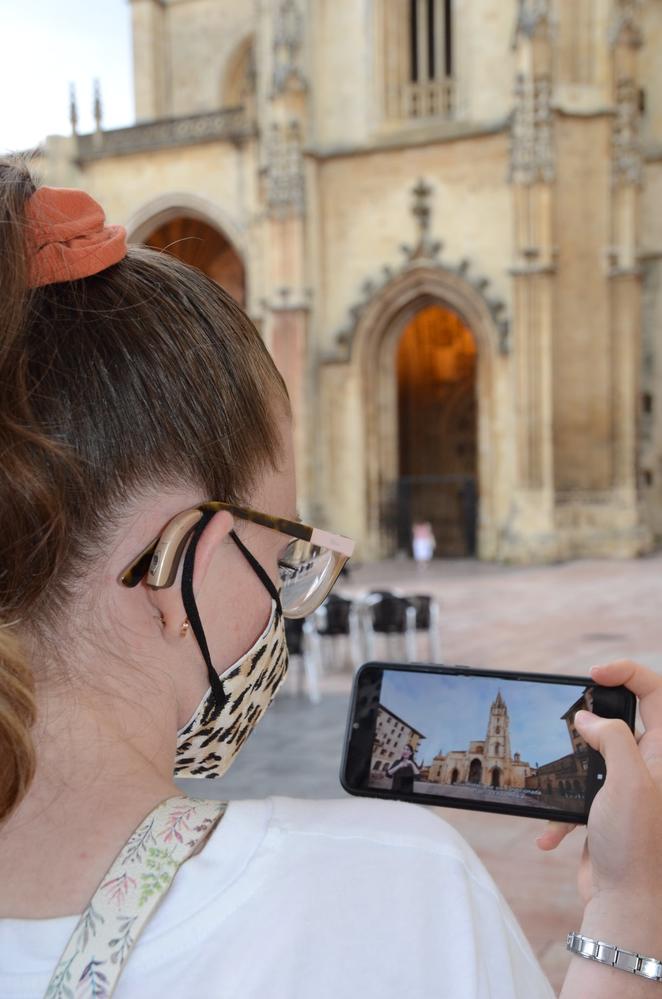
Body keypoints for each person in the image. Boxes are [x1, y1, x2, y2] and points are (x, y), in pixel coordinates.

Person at [0, 162, 661, 998]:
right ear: (182, 573)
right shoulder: (391, 894)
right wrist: (632, 906)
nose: (287, 602)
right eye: (284, 559)